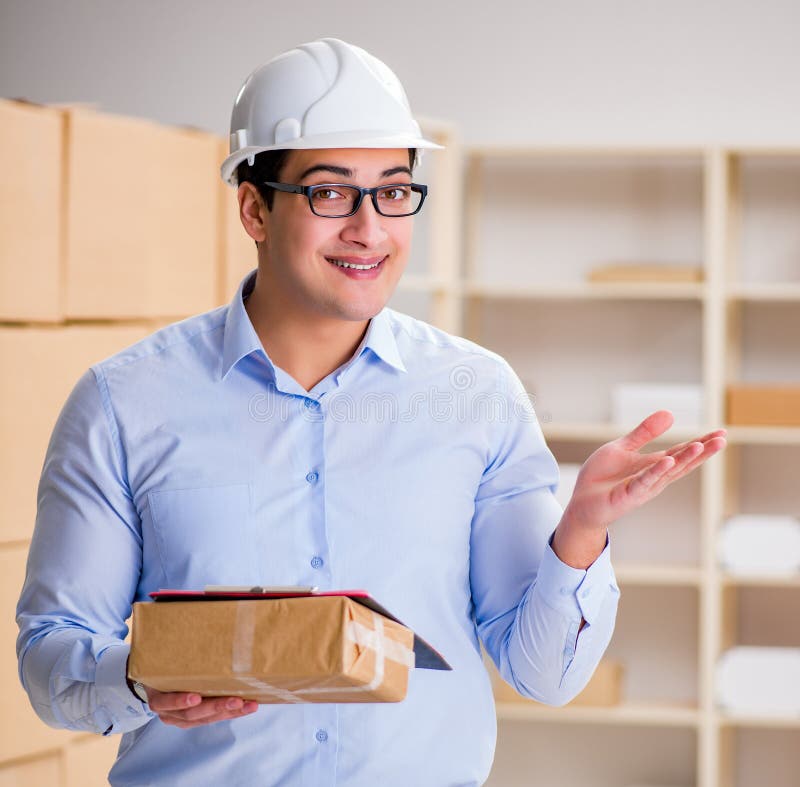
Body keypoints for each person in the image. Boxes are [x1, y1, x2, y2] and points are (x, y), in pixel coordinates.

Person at [16, 37, 726, 786]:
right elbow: (50, 656)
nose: (369, 228)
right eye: (329, 192)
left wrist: (581, 532)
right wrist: (139, 677)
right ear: (254, 206)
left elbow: (543, 673)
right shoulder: (125, 403)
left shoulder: (475, 396)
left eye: (393, 190)